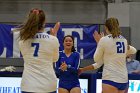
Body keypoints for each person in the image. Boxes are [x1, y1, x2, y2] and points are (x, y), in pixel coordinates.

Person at [79, 17, 137, 93]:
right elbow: (134, 50)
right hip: (123, 79)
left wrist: (99, 43)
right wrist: (127, 47)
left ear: (106, 27)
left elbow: (96, 59)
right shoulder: (123, 39)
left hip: (110, 78)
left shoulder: (104, 40)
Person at [17, 8, 60, 93]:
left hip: (29, 85)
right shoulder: (53, 39)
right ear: (44, 22)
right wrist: (54, 36)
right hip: (48, 85)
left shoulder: (22, 41)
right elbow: (55, 59)